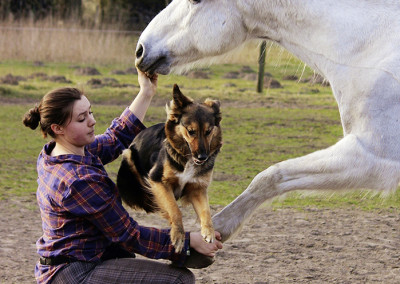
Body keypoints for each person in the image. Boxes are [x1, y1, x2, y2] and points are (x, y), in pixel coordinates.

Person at [23, 69, 223, 284]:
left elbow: (116, 136)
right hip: (75, 273)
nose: (92, 121)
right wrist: (185, 243)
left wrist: (146, 92)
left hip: (79, 262)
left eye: (90, 112)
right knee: (178, 280)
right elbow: (129, 235)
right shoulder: (78, 181)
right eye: (82, 119)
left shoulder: (60, 152)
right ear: (57, 128)